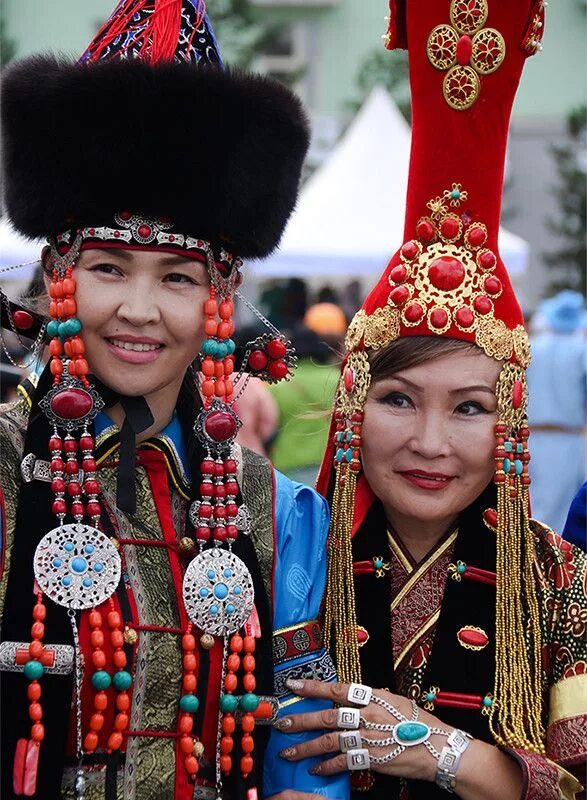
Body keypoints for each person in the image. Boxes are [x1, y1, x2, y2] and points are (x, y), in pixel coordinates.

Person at [0, 3, 348, 799]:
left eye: (178, 277)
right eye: (110, 267)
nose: (140, 310)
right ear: (59, 273)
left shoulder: (272, 512)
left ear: (221, 296)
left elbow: (302, 750)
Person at [271, 2, 586, 798]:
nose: (430, 442)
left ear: (509, 427)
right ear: (350, 412)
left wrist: (448, 753)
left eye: (470, 409)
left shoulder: (564, 584)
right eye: (399, 400)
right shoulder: (285, 560)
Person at [526, 290, 587, 536]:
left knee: (534, 503)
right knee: (563, 509)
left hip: (530, 438)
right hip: (568, 438)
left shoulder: (532, 346)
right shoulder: (581, 349)